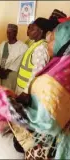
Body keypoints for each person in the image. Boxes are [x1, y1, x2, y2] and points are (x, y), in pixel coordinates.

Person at [13, 20, 70, 159]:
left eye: (52, 39)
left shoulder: (59, 75)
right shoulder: (61, 66)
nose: (48, 44)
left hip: (54, 140)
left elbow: (47, 120)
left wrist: (16, 110)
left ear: (63, 42)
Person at [16, 17, 55, 96]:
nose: (29, 31)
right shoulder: (34, 44)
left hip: (27, 91)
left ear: (40, 31)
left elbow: (37, 73)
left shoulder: (41, 48)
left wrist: (26, 92)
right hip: (21, 87)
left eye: (32, 29)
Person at [0, 24, 28, 91]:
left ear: (16, 33)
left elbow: (19, 61)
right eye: (7, 32)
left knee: (9, 93)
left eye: (10, 33)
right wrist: (0, 69)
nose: (8, 35)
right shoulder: (3, 44)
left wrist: (7, 72)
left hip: (11, 74)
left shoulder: (22, 47)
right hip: (0, 73)